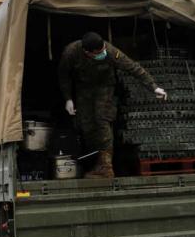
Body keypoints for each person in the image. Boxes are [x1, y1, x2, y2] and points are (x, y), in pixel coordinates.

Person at [58, 32, 166, 178]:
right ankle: (95, 163)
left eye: (103, 50)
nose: (103, 53)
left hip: (104, 87)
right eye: (98, 53)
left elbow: (133, 67)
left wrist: (154, 87)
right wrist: (68, 99)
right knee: (86, 125)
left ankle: (106, 167)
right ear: (87, 52)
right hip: (83, 89)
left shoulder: (110, 52)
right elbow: (64, 75)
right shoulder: (71, 53)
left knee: (102, 119)